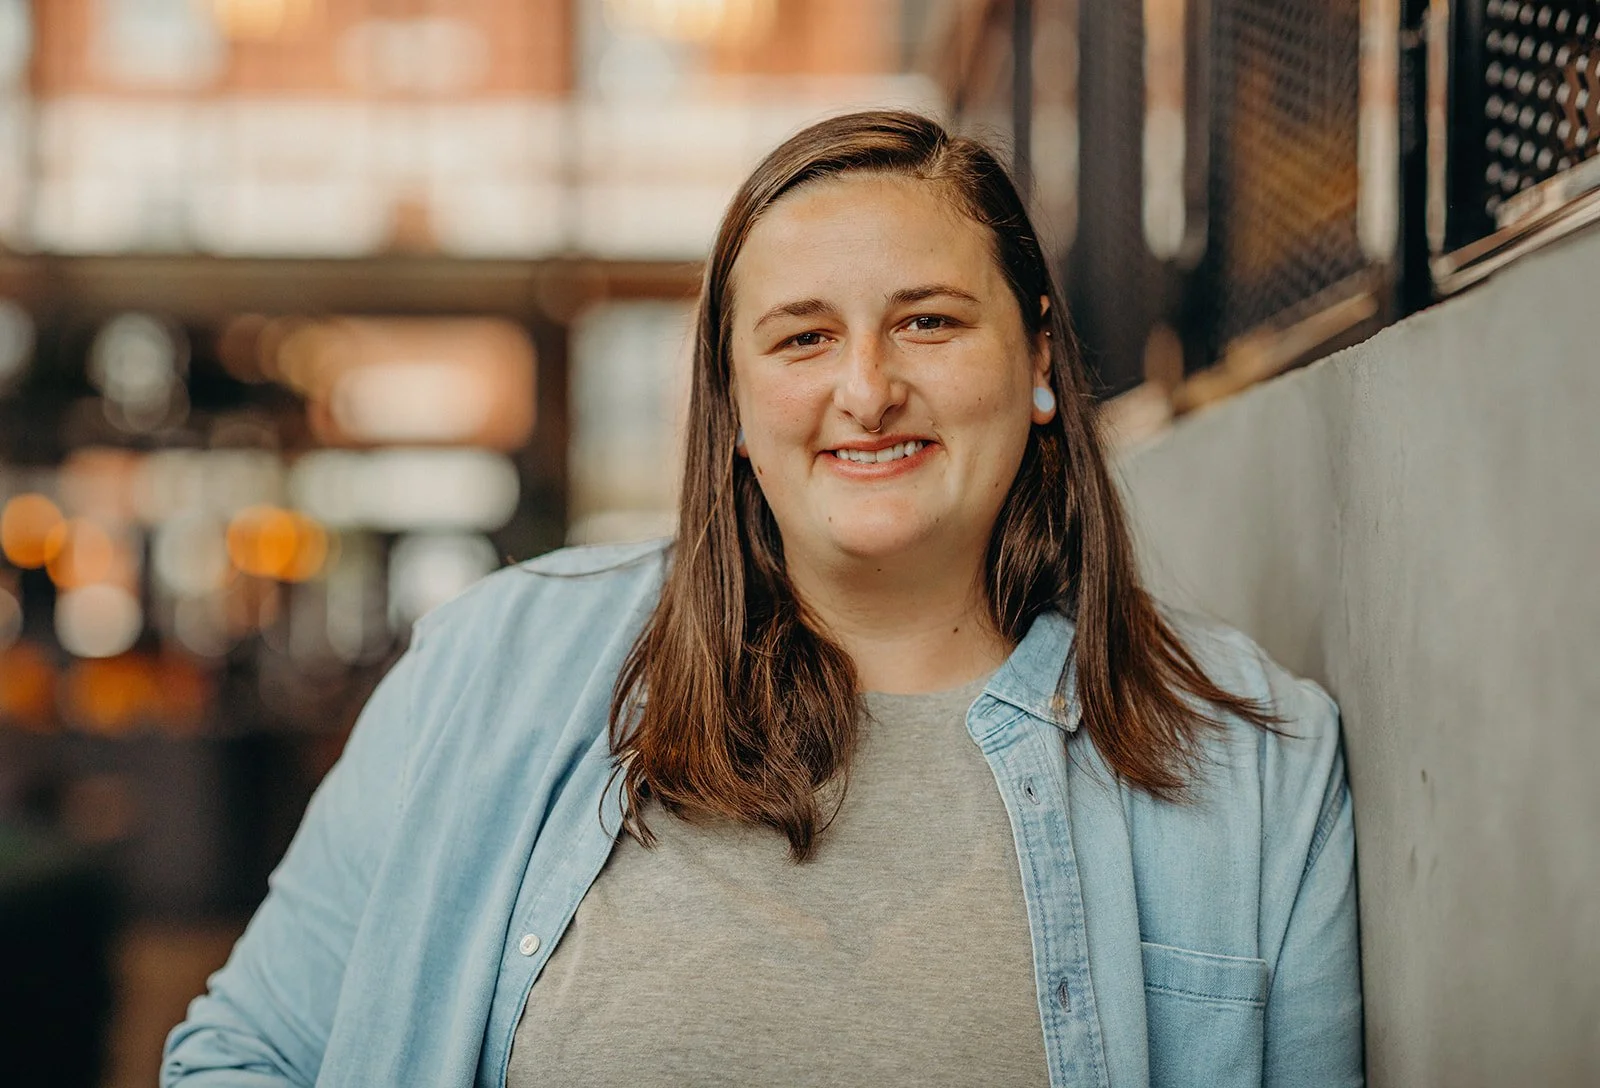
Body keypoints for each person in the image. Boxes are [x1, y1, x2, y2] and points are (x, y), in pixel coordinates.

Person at [163, 110, 1362, 1088]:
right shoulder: (497, 661)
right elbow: (245, 1057)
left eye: (929, 322)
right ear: (732, 404)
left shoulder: (1254, 763)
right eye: (801, 339)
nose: (867, 387)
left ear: (1037, 357)